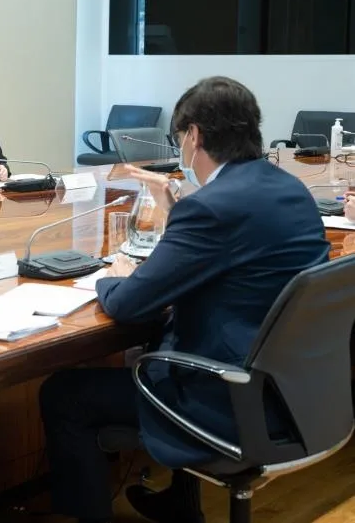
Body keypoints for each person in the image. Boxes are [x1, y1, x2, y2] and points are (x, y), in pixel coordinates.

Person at [38, 76, 329, 523]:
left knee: (63, 394)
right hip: (299, 393)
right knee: (173, 339)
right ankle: (180, 503)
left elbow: (129, 305)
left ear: (193, 135)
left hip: (233, 403)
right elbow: (234, 260)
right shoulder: (287, 187)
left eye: (180, 139)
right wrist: (177, 213)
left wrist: (112, 277)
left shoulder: (212, 206)